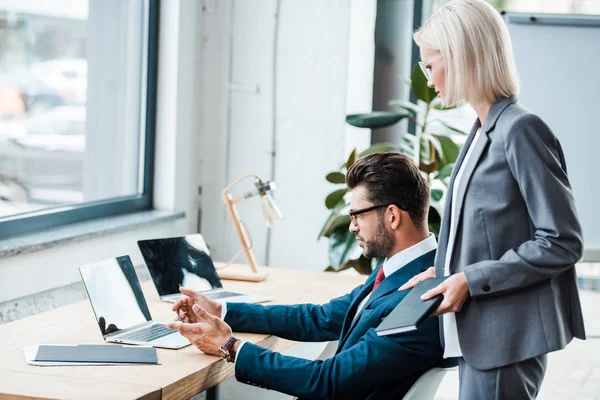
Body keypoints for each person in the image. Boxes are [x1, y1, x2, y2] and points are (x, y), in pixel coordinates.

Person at [399, 1, 586, 399]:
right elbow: (489, 231)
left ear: (461, 57)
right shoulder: (482, 129)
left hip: (506, 339)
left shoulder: (520, 130)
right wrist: (445, 271)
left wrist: (471, 279)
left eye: (430, 66)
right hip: (484, 335)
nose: (428, 81)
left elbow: (561, 241)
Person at [167, 152, 455, 400]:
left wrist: (230, 346)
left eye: (357, 215)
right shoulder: (403, 268)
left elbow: (328, 381)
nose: (352, 227)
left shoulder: (423, 294)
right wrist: (223, 310)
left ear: (392, 216)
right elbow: (322, 317)